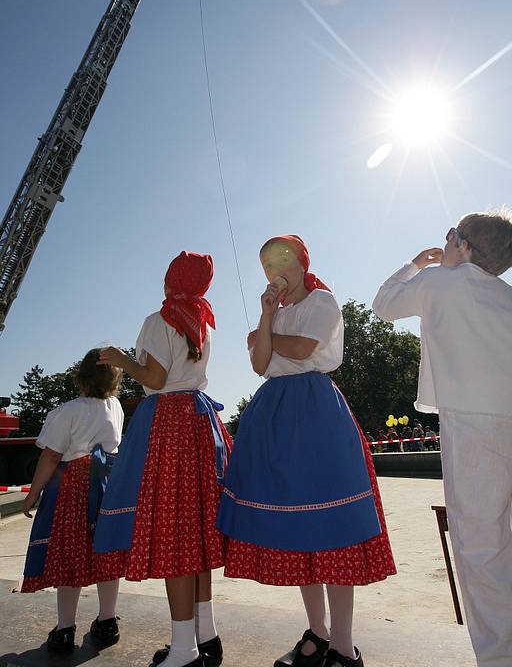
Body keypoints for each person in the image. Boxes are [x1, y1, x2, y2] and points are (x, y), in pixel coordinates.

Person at [217, 235, 396, 667]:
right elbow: (261, 365)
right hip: (273, 415)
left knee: (332, 530)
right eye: (265, 264)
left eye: (281, 259)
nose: (274, 269)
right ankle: (317, 632)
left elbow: (299, 349)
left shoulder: (323, 301)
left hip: (315, 414)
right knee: (299, 531)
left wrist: (263, 334)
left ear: (300, 262)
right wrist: (265, 319)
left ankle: (343, 646)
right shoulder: (275, 312)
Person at [372, 209, 512, 667]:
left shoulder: (437, 282)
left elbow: (384, 304)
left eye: (451, 234)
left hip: (472, 426)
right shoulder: (506, 298)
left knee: (478, 548)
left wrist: (415, 264)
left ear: (464, 246)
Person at [94, 252, 231, 667]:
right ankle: (206, 637)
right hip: (200, 419)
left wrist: (122, 361)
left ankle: (184, 650)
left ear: (172, 278)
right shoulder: (205, 320)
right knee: (199, 536)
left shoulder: (160, 319)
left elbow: (155, 379)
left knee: (175, 536)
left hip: (169, 422)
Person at [21, 349, 124, 654]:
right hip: (107, 487)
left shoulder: (68, 411)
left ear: (81, 378)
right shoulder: (115, 407)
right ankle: (107, 621)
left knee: (70, 553)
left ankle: (65, 628)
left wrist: (33, 493)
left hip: (73, 489)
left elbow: (51, 455)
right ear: (114, 381)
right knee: (106, 554)